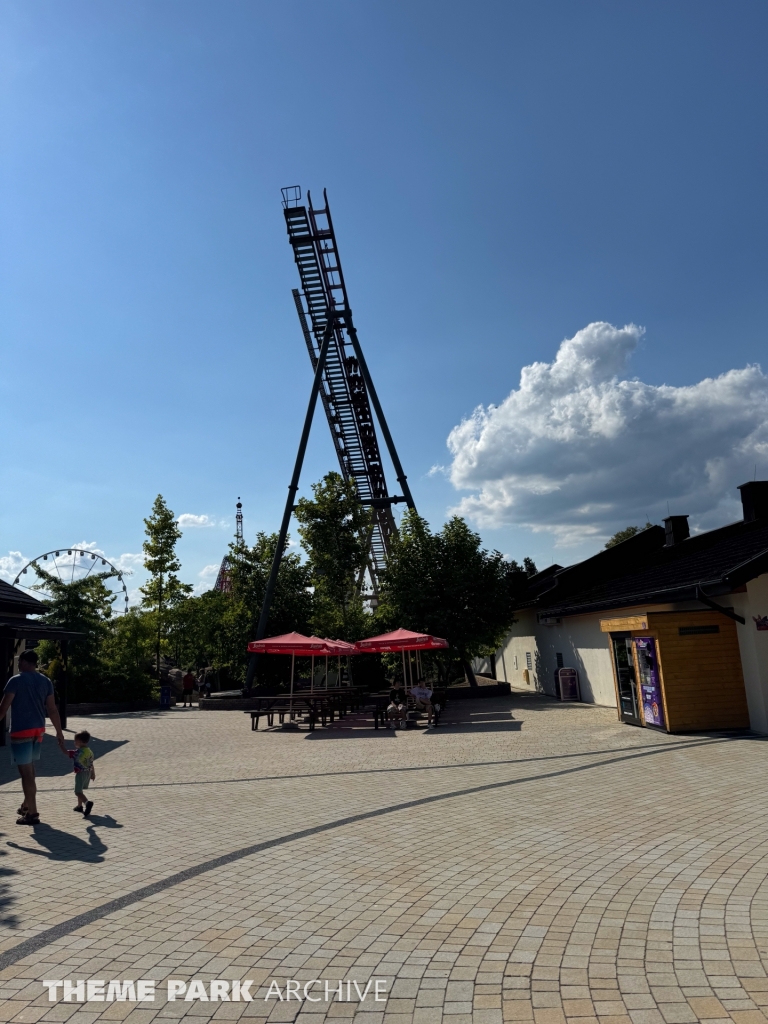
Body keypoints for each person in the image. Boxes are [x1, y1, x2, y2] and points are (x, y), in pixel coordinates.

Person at [0, 649, 67, 825]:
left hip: (21, 730)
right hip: (38, 731)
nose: (18, 664)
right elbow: (52, 709)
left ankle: (32, 813)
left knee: (26, 774)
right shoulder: (46, 681)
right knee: (30, 770)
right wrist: (59, 732)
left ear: (23, 662)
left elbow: (3, 707)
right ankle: (26, 804)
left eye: (19, 661)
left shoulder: (15, 681)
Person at [67, 730, 96, 816]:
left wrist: (61, 746)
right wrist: (93, 773)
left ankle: (87, 803)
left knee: (77, 792)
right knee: (80, 789)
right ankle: (79, 806)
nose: (74, 742)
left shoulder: (79, 752)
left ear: (80, 741)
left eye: (75, 740)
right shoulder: (89, 751)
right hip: (88, 772)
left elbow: (67, 752)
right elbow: (91, 762)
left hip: (80, 773)